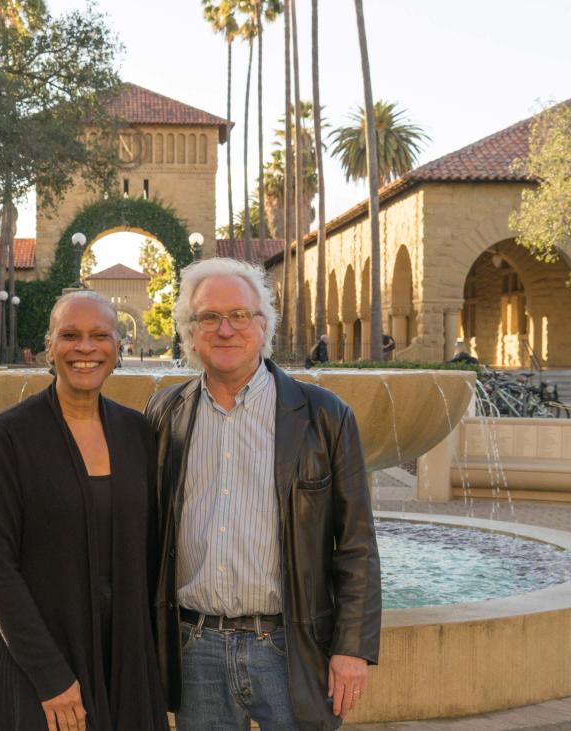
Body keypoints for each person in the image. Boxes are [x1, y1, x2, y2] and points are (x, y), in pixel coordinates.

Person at [145, 258, 381, 730]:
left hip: (289, 647)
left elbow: (355, 544)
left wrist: (351, 647)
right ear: (189, 332)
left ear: (264, 324)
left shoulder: (323, 415)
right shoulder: (166, 411)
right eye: (208, 317)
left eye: (239, 315)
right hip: (197, 650)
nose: (225, 329)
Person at [0, 290, 167, 731]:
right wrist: (50, 676)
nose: (85, 348)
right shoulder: (10, 436)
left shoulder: (137, 433)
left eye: (100, 335)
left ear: (119, 347)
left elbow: (154, 549)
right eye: (70, 335)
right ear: (50, 347)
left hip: (123, 656)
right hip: (37, 659)